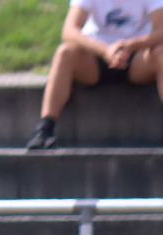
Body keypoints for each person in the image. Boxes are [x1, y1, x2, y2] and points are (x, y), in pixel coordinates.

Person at [27, 0, 163, 150]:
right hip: (95, 56)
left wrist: (132, 45)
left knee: (161, 53)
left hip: (137, 57)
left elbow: (161, 30)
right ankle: (44, 130)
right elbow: (69, 31)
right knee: (64, 53)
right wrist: (105, 51)